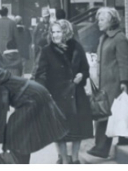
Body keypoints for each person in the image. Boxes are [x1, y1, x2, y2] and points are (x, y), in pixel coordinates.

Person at [0, 66, 67, 164]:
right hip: (37, 96)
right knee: (21, 137)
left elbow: (0, 111)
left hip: (31, 100)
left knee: (17, 135)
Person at [34, 20, 93, 164]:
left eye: (58, 31)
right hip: (56, 94)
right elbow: (40, 73)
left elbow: (85, 68)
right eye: (53, 32)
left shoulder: (77, 47)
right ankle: (64, 160)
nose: (55, 35)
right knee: (59, 130)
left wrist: (82, 75)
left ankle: (76, 158)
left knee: (77, 129)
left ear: (66, 32)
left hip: (75, 94)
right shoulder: (47, 51)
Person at [87, 7, 128, 159]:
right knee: (107, 113)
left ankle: (101, 148)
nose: (98, 22)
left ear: (111, 21)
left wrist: (124, 81)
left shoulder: (119, 38)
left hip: (115, 83)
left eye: (102, 19)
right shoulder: (104, 37)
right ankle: (121, 139)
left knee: (105, 114)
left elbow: (124, 62)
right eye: (98, 19)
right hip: (105, 83)